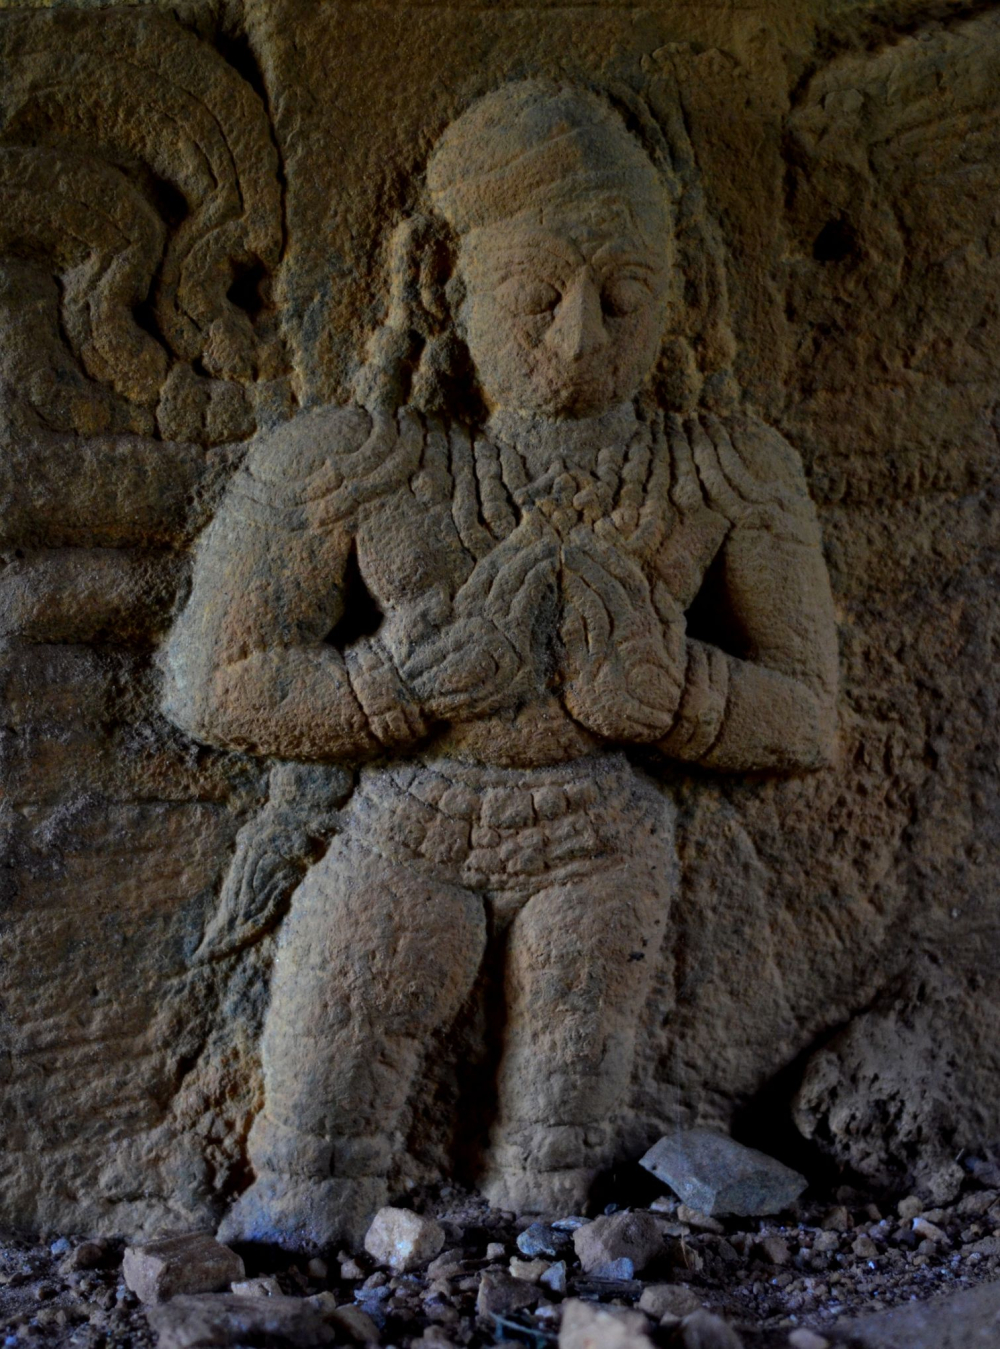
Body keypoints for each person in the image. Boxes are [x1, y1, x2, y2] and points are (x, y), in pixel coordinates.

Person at [161, 78, 838, 1250]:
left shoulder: (727, 472)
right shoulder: (345, 461)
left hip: (601, 841)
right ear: (441, 282)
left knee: (553, 1151)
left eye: (624, 297)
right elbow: (211, 683)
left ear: (679, 295)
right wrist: (391, 685)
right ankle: (308, 1236)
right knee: (316, 1137)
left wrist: (682, 694)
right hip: (408, 824)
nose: (580, 341)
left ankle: (544, 1255)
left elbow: (808, 715)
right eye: (535, 295)